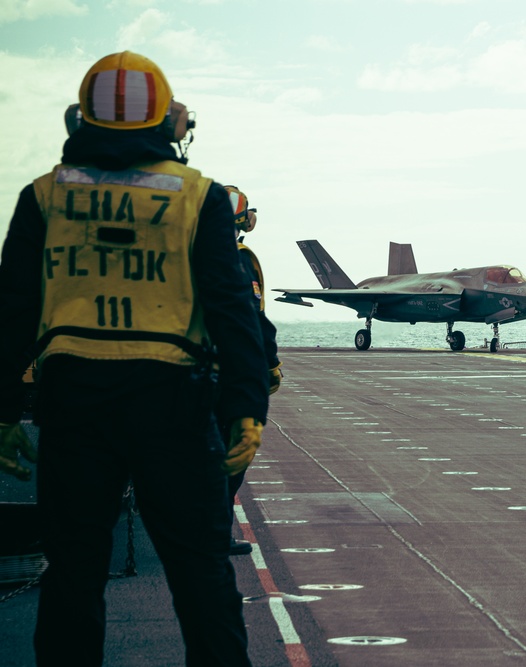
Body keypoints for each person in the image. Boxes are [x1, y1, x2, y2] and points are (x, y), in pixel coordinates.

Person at [0, 51, 268, 666]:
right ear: (172, 124)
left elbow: (11, 312)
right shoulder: (195, 197)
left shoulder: (44, 196)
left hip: (73, 404)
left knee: (71, 576)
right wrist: (246, 407)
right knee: (202, 577)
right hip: (171, 404)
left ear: (77, 121)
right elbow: (234, 313)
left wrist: (4, 408)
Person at [223, 185, 281, 555]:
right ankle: (214, 533)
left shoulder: (182, 255)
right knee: (234, 454)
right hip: (231, 374)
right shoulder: (240, 258)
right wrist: (271, 363)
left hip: (181, 371)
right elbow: (251, 318)